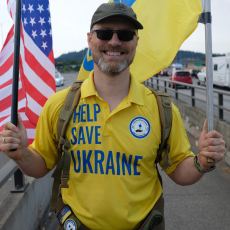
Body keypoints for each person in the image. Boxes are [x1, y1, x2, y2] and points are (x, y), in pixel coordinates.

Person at [0, 2, 226, 230]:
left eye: (125, 34)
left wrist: (202, 161)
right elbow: (41, 165)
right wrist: (22, 155)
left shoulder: (161, 107)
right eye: (105, 33)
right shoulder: (60, 105)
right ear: (89, 39)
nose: (114, 41)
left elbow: (179, 170)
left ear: (136, 41)